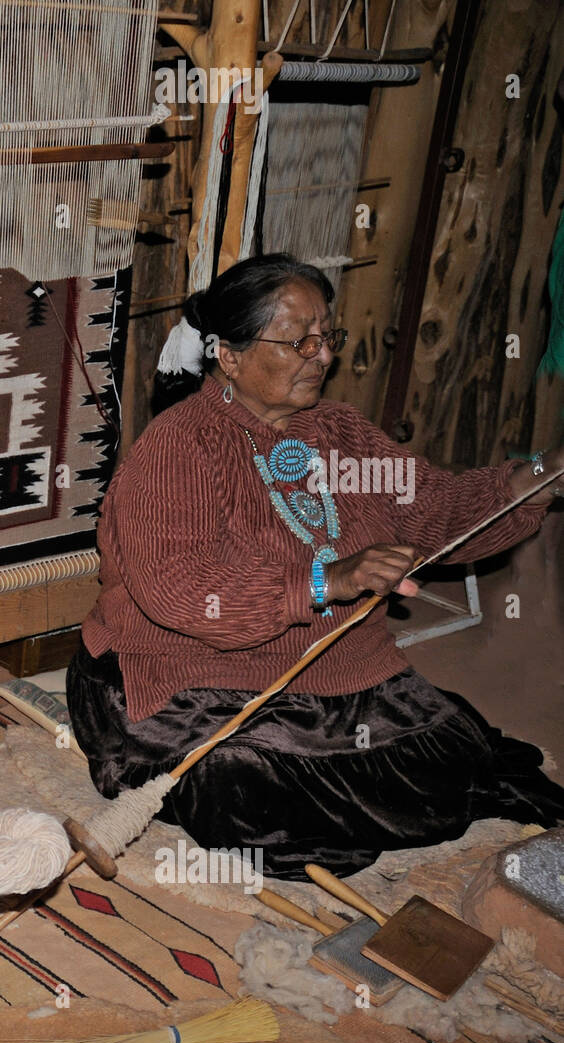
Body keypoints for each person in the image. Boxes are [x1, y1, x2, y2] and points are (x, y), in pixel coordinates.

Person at [69, 253, 564, 880]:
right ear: (229, 355)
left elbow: (437, 508)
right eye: (297, 340)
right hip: (188, 677)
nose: (321, 355)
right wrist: (331, 580)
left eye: (326, 335)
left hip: (336, 671)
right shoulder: (179, 448)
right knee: (237, 784)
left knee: (453, 760)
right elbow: (180, 594)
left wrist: (542, 475)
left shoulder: (340, 434)